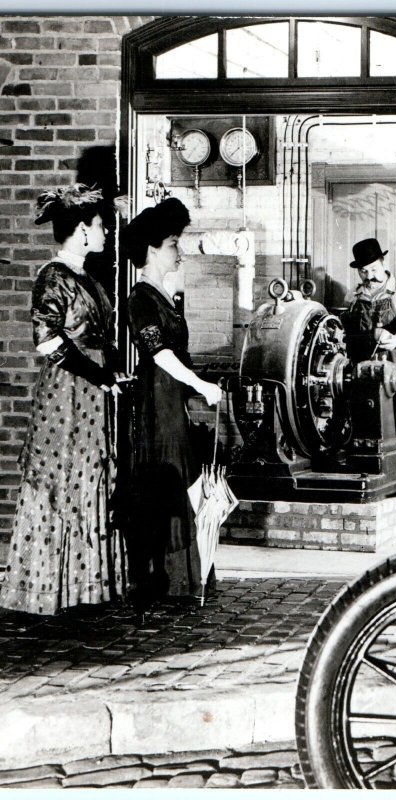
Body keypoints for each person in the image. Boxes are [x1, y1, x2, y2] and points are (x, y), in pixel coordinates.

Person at [0, 184, 126, 614]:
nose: (106, 232)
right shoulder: (53, 276)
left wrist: (108, 373)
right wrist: (97, 374)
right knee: (64, 477)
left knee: (90, 473)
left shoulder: (86, 276)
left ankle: (82, 588)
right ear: (81, 230)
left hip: (89, 389)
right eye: (100, 226)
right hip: (68, 392)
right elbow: (46, 341)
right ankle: (49, 588)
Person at [119, 198, 222, 611]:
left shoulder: (165, 296)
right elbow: (159, 354)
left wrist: (202, 385)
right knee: (168, 481)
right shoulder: (140, 297)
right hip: (156, 404)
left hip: (172, 401)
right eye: (172, 244)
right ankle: (166, 580)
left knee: (185, 481)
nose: (178, 251)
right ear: (151, 251)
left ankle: (186, 579)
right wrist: (199, 383)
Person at [340, 237, 396, 481]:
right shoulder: (354, 296)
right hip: (363, 370)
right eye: (364, 271)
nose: (369, 276)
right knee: (365, 427)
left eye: (374, 269)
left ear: (383, 262)